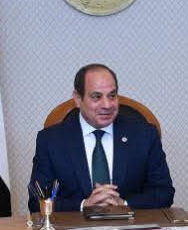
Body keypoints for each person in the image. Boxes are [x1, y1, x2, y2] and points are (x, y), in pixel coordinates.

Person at [29, 64, 174, 212]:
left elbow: (164, 193)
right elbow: (36, 202)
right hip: (75, 225)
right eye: (96, 97)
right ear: (78, 98)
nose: (107, 105)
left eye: (112, 96)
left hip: (132, 224)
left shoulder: (144, 135)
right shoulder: (51, 140)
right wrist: (83, 205)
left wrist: (124, 204)